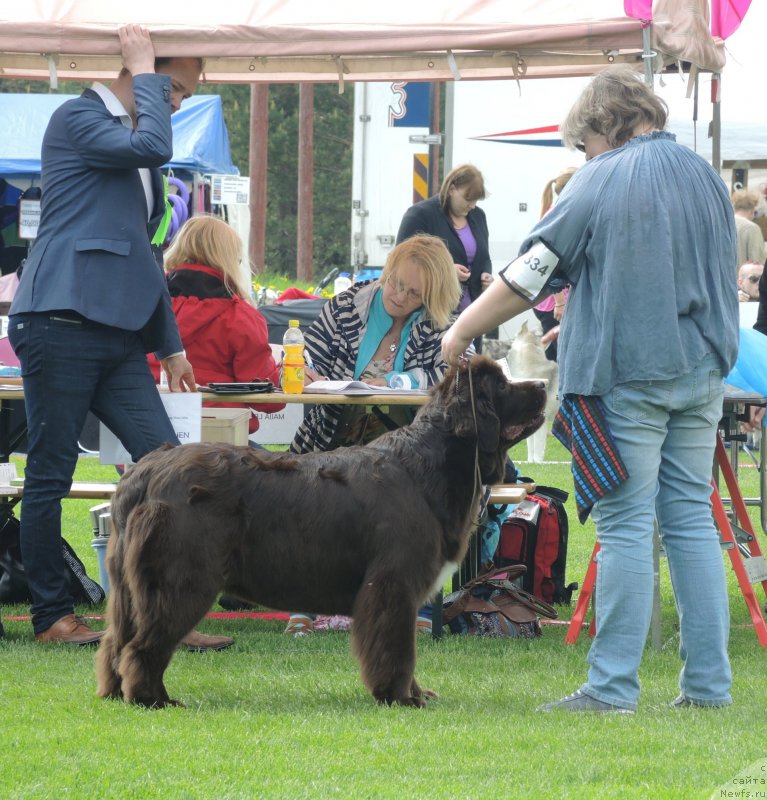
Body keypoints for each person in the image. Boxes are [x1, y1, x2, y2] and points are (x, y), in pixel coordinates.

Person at [443, 66, 738, 713]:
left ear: (604, 127)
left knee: (626, 525)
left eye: (582, 144)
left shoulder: (600, 179)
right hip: (703, 370)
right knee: (689, 521)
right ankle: (708, 688)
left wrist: (459, 328)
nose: (583, 156)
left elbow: (529, 275)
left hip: (627, 372)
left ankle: (610, 688)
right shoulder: (707, 181)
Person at [7, 25, 231, 651]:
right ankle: (52, 616)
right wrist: (143, 70)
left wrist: (173, 344)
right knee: (50, 475)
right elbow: (156, 145)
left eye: (181, 94)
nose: (178, 104)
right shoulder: (77, 119)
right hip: (58, 321)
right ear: (145, 73)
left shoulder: (130, 138)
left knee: (172, 469)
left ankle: (162, 617)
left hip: (120, 339)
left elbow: (142, 252)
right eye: (175, 89)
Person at [283, 233, 461, 636]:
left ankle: (415, 604)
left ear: (432, 294)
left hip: (409, 447)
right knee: (320, 494)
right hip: (332, 434)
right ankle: (306, 604)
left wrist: (402, 380)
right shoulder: (345, 306)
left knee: (410, 504)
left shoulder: (443, 324)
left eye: (414, 292)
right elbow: (310, 357)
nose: (399, 295)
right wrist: (309, 372)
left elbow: (450, 373)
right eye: (395, 282)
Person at [146, 215, 282, 436]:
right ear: (230, 259)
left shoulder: (145, 304)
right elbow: (268, 399)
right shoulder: (240, 316)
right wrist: (285, 373)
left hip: (143, 437)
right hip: (215, 441)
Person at [396, 164, 493, 350]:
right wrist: (446, 272)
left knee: (468, 374)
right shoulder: (419, 215)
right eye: (468, 198)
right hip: (431, 315)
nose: (472, 205)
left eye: (476, 201)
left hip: (472, 315)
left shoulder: (478, 216)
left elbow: (484, 257)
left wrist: (486, 275)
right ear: (451, 189)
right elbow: (402, 263)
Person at [532, 167, 576, 361]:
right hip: (554, 301)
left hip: (554, 300)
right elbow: (550, 262)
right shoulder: (556, 216)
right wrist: (560, 302)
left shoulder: (557, 212)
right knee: (557, 355)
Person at [732, 189, 766, 269]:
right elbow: (757, 260)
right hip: (743, 278)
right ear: (752, 210)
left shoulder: (724, 224)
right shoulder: (752, 228)